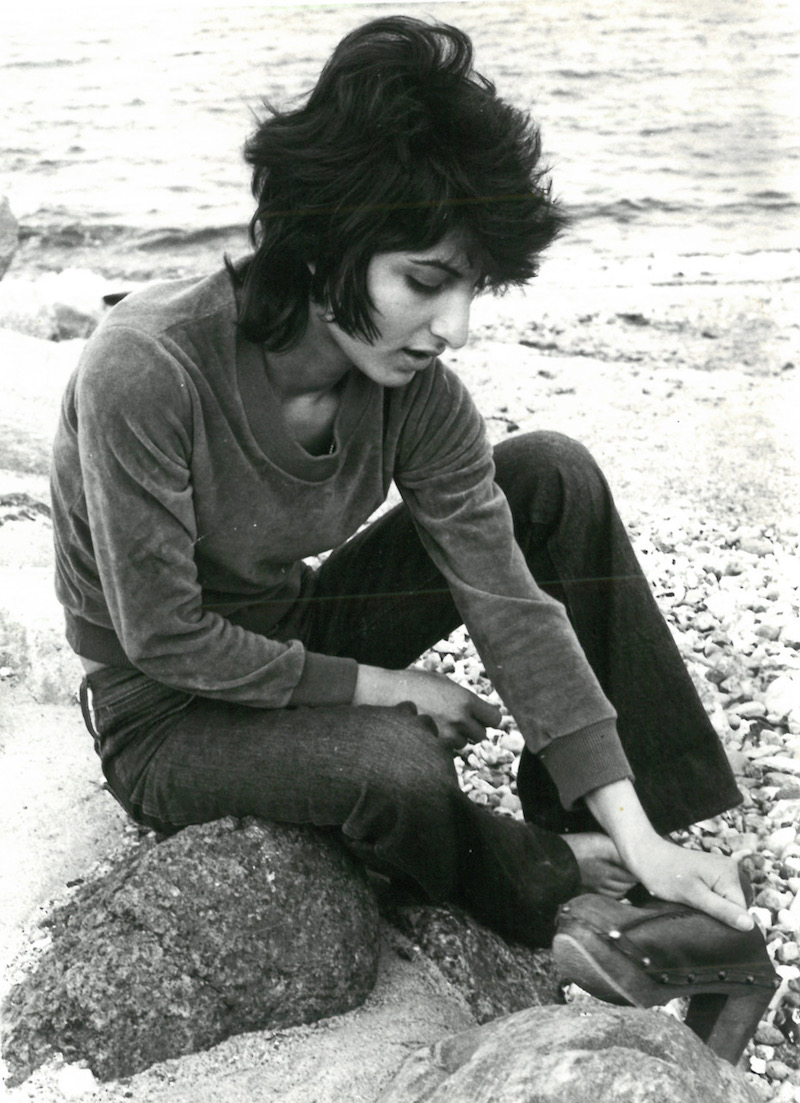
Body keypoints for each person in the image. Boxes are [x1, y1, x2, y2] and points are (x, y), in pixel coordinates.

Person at [52, 16, 769, 1019]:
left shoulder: (415, 392)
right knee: (389, 760)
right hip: (166, 712)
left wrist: (637, 820)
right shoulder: (147, 365)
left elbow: (509, 604)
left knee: (549, 476)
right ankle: (541, 874)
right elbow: (161, 636)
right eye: (425, 282)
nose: (453, 327)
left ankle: (646, 865)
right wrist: (385, 684)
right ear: (322, 242)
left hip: (290, 626)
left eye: (470, 288)